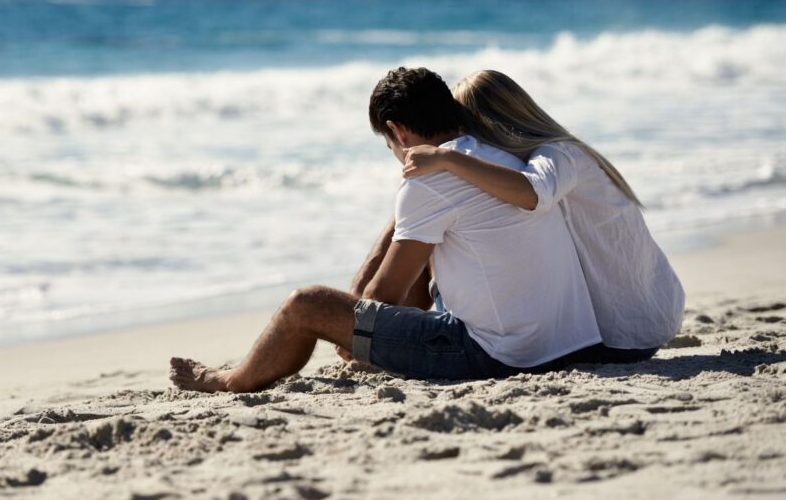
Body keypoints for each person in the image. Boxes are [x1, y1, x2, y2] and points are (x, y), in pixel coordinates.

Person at [170, 67, 602, 393]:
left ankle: (226, 381)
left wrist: (350, 335)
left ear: (396, 130)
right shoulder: (501, 154)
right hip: (567, 342)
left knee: (306, 304)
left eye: (388, 144)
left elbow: (382, 298)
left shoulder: (433, 182)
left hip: (503, 356)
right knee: (432, 250)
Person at [402, 69, 684, 360]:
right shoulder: (553, 155)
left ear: (487, 122)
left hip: (625, 332)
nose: (464, 139)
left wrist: (448, 159)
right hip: (637, 319)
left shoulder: (559, 154)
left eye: (465, 128)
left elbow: (533, 194)